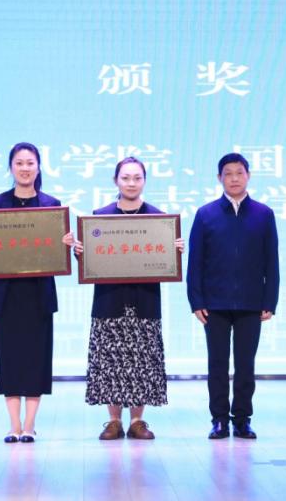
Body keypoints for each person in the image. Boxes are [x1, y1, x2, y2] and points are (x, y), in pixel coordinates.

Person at [0, 142, 74, 444]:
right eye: (19, 163)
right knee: (9, 359)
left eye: (30, 163)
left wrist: (65, 244)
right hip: (6, 294)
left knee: (37, 359)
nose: (25, 168)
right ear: (11, 167)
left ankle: (30, 425)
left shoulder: (51, 205)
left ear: (39, 167)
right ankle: (13, 425)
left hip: (39, 294)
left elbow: (57, 251)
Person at [73, 157, 185, 441]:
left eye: (137, 178)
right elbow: (91, 261)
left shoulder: (159, 220)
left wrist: (173, 251)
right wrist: (81, 252)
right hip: (109, 300)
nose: (131, 183)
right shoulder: (99, 217)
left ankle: (137, 421)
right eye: (125, 178)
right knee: (110, 361)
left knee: (141, 361)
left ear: (144, 181)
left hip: (144, 300)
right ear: (116, 181)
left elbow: (165, 261)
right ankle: (113, 421)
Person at [187, 152, 279, 440]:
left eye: (240, 173)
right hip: (214, 303)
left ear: (248, 176)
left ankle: (242, 419)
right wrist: (196, 301)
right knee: (217, 363)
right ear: (219, 178)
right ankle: (218, 419)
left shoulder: (264, 214)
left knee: (245, 365)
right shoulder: (206, 214)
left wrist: (270, 300)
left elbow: (271, 261)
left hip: (251, 302)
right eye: (228, 173)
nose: (234, 178)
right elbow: (195, 261)